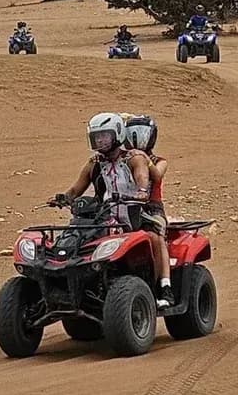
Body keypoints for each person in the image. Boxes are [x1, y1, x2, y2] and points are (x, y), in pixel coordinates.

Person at [54, 113, 167, 308]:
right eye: (97, 137)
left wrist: (141, 192)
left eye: (104, 136)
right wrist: (64, 198)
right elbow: (75, 189)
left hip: (137, 211)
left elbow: (143, 177)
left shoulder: (135, 157)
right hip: (107, 213)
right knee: (83, 238)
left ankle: (162, 287)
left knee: (154, 237)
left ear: (117, 134)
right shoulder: (94, 163)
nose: (100, 141)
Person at [124, 114, 173, 308]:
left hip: (152, 208)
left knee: (155, 236)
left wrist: (144, 159)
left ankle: (165, 286)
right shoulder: (125, 159)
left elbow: (157, 174)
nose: (138, 139)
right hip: (125, 206)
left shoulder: (160, 161)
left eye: (143, 134)